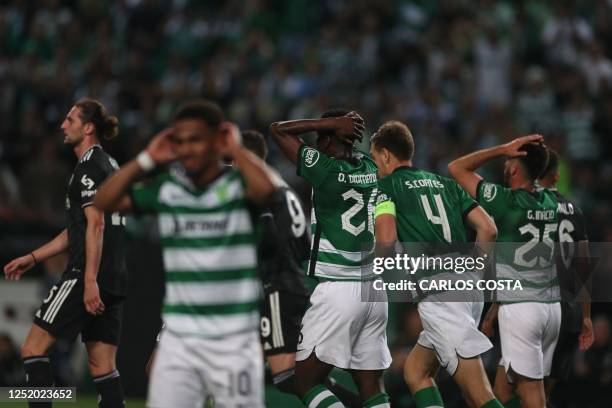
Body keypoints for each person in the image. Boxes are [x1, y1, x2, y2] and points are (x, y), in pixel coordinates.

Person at [94, 100, 275, 408]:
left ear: (217, 140)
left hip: (233, 338)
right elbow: (105, 200)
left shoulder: (238, 186)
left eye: (196, 140)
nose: (187, 149)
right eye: (180, 141)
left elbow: (268, 190)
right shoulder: (168, 189)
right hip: (180, 338)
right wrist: (146, 159)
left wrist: (236, 151)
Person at [4, 98, 127, 408]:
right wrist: (34, 257)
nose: (62, 125)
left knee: (33, 349)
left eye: (70, 120)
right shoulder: (109, 165)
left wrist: (87, 280)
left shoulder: (89, 167)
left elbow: (95, 225)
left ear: (88, 128)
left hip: (88, 272)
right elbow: (78, 229)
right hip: (113, 275)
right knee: (102, 367)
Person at [371, 121, 502, 408]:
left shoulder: (387, 186)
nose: (376, 166)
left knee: (480, 397)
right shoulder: (445, 184)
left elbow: (387, 239)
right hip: (468, 289)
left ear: (384, 155)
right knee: (416, 371)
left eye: (374, 158)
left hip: (440, 298)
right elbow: (488, 228)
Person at [270, 109, 392, 408]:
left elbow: (277, 130)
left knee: (304, 381)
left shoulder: (323, 168)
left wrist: (329, 124)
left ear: (325, 140)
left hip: (339, 289)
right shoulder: (372, 167)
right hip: (375, 292)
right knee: (372, 388)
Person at [448, 135, 561, 408]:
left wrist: (501, 148)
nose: (505, 164)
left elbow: (457, 168)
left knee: (531, 393)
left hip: (522, 310)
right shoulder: (550, 201)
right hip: (550, 309)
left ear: (514, 167)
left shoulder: (504, 201)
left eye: (510, 160)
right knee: (503, 389)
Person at [537, 148, 594, 399]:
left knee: (523, 389)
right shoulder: (575, 211)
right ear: (557, 176)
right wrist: (587, 316)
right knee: (545, 392)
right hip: (569, 310)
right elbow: (583, 268)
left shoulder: (532, 208)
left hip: (538, 304)